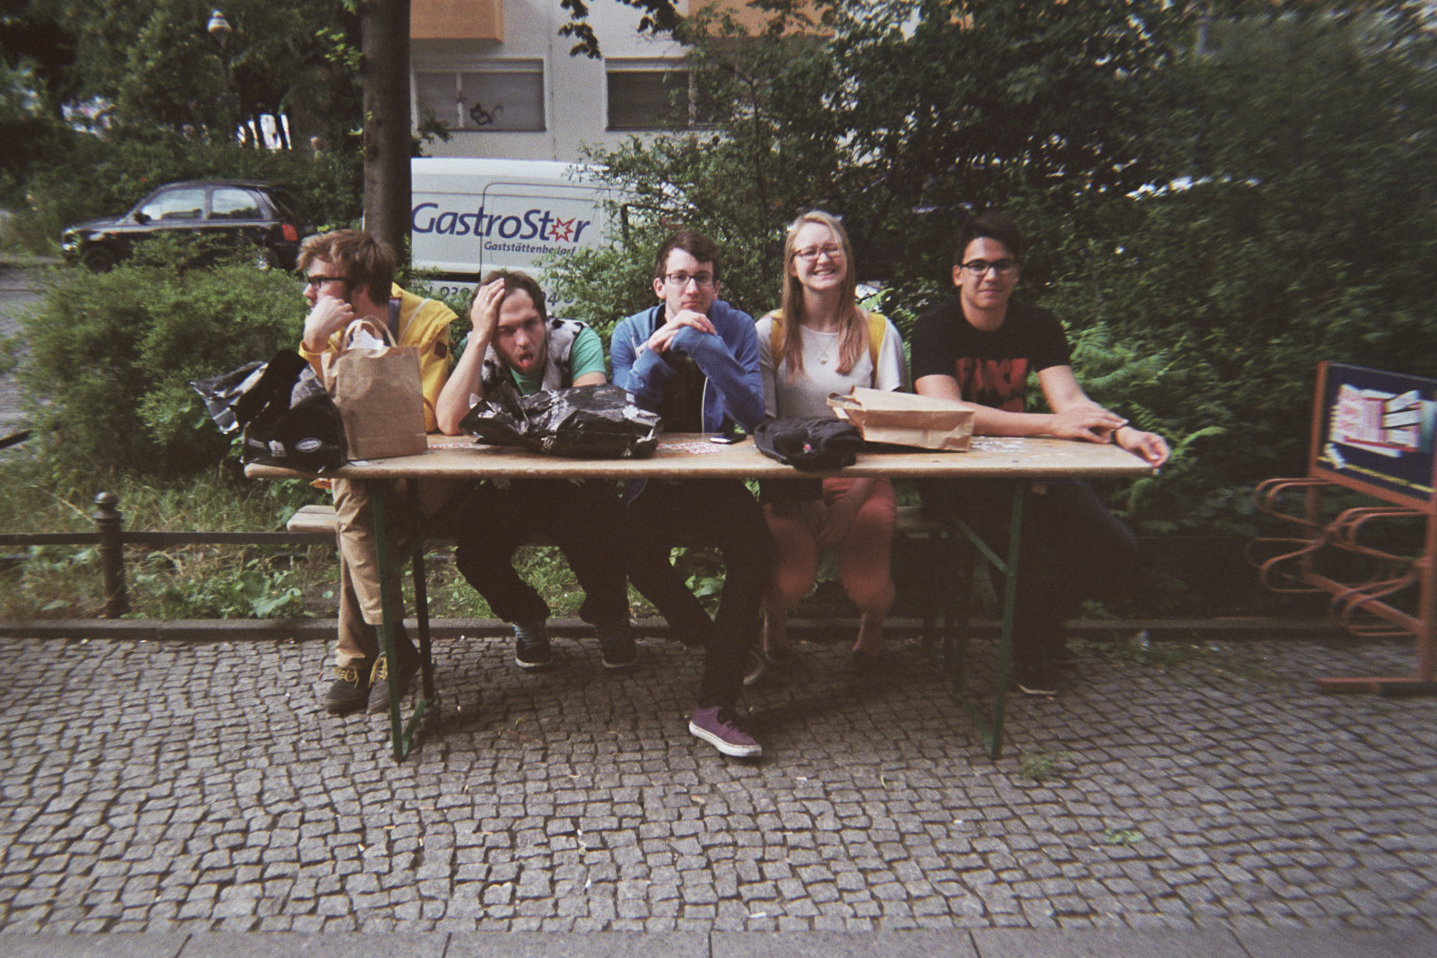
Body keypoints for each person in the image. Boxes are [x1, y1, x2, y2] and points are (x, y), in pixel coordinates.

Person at [911, 210, 1169, 696]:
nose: (990, 275)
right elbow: (946, 412)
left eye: (1002, 264)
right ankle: (1030, 653)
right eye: (978, 265)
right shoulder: (934, 327)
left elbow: (1070, 401)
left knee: (1112, 544)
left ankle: (1047, 627)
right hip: (953, 471)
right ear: (958, 273)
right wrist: (1049, 425)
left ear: (1017, 272)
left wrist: (1124, 433)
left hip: (1022, 464)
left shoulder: (1039, 324)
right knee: (1022, 544)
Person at [610, 229, 771, 759]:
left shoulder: (737, 327)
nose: (692, 288)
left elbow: (752, 414)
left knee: (756, 549)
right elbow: (622, 413)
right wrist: (656, 350)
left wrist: (704, 345)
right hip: (651, 483)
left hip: (713, 479)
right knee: (628, 550)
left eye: (702, 278)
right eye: (679, 277)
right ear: (660, 285)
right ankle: (712, 642)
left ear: (716, 286)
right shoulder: (630, 331)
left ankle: (715, 705)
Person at [434, 270, 637, 671]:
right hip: (509, 485)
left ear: (546, 319)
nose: (523, 340)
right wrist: (479, 337)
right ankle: (526, 616)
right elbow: (449, 421)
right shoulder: (479, 349)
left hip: (574, 480)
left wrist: (507, 423)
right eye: (506, 330)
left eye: (530, 324)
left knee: (607, 530)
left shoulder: (576, 339)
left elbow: (590, 411)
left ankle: (609, 617)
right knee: (475, 553)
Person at [297, 229, 456, 716]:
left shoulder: (428, 322)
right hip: (366, 484)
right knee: (357, 504)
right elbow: (310, 420)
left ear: (360, 288)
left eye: (319, 281)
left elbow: (425, 417)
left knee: (354, 512)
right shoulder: (329, 329)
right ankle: (391, 646)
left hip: (427, 482)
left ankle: (359, 656)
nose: (308, 293)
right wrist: (313, 345)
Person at [755, 211, 907, 671]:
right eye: (809, 251)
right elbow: (763, 428)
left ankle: (873, 624)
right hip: (789, 478)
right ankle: (774, 624)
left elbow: (891, 431)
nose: (822, 259)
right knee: (788, 583)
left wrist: (852, 499)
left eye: (831, 248)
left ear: (846, 257)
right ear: (792, 266)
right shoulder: (769, 332)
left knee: (868, 588)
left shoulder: (879, 331)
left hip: (863, 474)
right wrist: (802, 495)